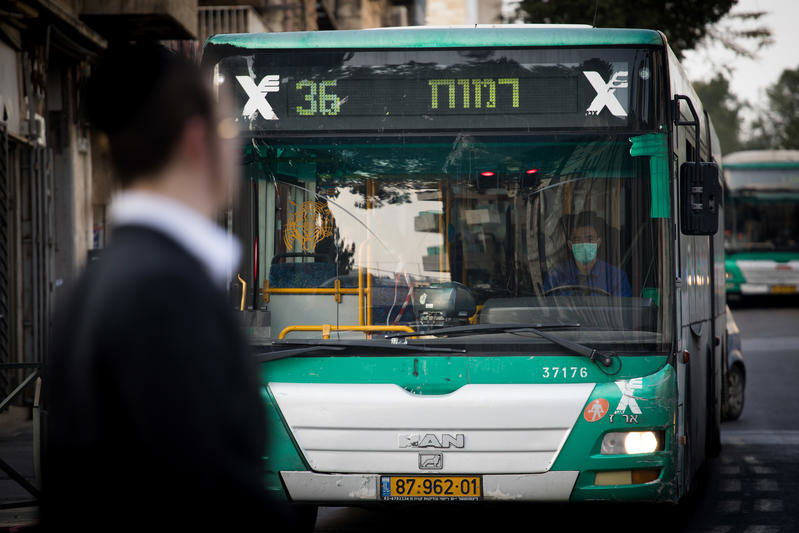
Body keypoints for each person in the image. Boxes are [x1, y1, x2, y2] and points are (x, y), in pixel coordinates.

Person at [43, 43, 271, 531]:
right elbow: (210, 497)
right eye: (228, 129)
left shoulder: (92, 285)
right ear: (195, 141)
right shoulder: (167, 289)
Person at [543, 212, 632, 297]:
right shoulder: (555, 277)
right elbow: (547, 309)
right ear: (570, 245)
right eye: (578, 240)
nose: (584, 244)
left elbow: (623, 310)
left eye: (589, 239)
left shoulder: (616, 277)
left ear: (598, 242)